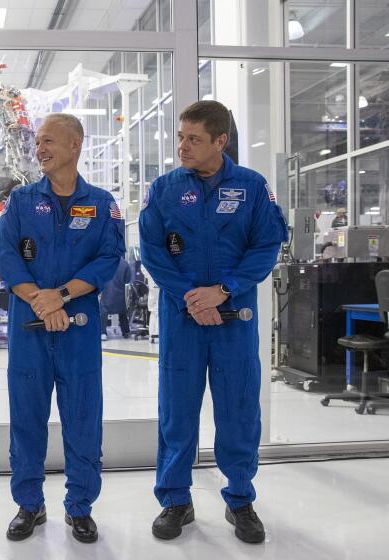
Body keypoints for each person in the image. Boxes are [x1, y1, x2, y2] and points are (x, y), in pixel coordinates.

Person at [139, 100, 287, 544]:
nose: (182, 146)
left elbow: (265, 247)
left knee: (239, 409)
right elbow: (153, 251)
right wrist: (191, 296)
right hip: (182, 318)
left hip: (234, 319)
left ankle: (240, 499)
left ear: (220, 141)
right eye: (180, 137)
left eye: (193, 139)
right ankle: (175, 501)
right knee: (176, 412)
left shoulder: (252, 187)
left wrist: (223, 289)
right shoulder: (165, 189)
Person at [0, 113, 125, 544]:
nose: (40, 149)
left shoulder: (103, 204)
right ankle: (29, 504)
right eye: (38, 142)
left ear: (76, 145)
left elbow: (109, 259)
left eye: (49, 140)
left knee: (83, 417)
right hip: (29, 328)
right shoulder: (21, 201)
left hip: (79, 329)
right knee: (27, 418)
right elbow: (8, 258)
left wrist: (62, 296)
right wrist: (40, 299)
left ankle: (80, 507)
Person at [99, 257, 132, 339]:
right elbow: (128, 280)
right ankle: (126, 332)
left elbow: (99, 278)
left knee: (103, 312)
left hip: (107, 294)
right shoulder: (125, 264)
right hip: (120, 295)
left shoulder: (105, 263)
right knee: (122, 313)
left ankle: (103, 333)